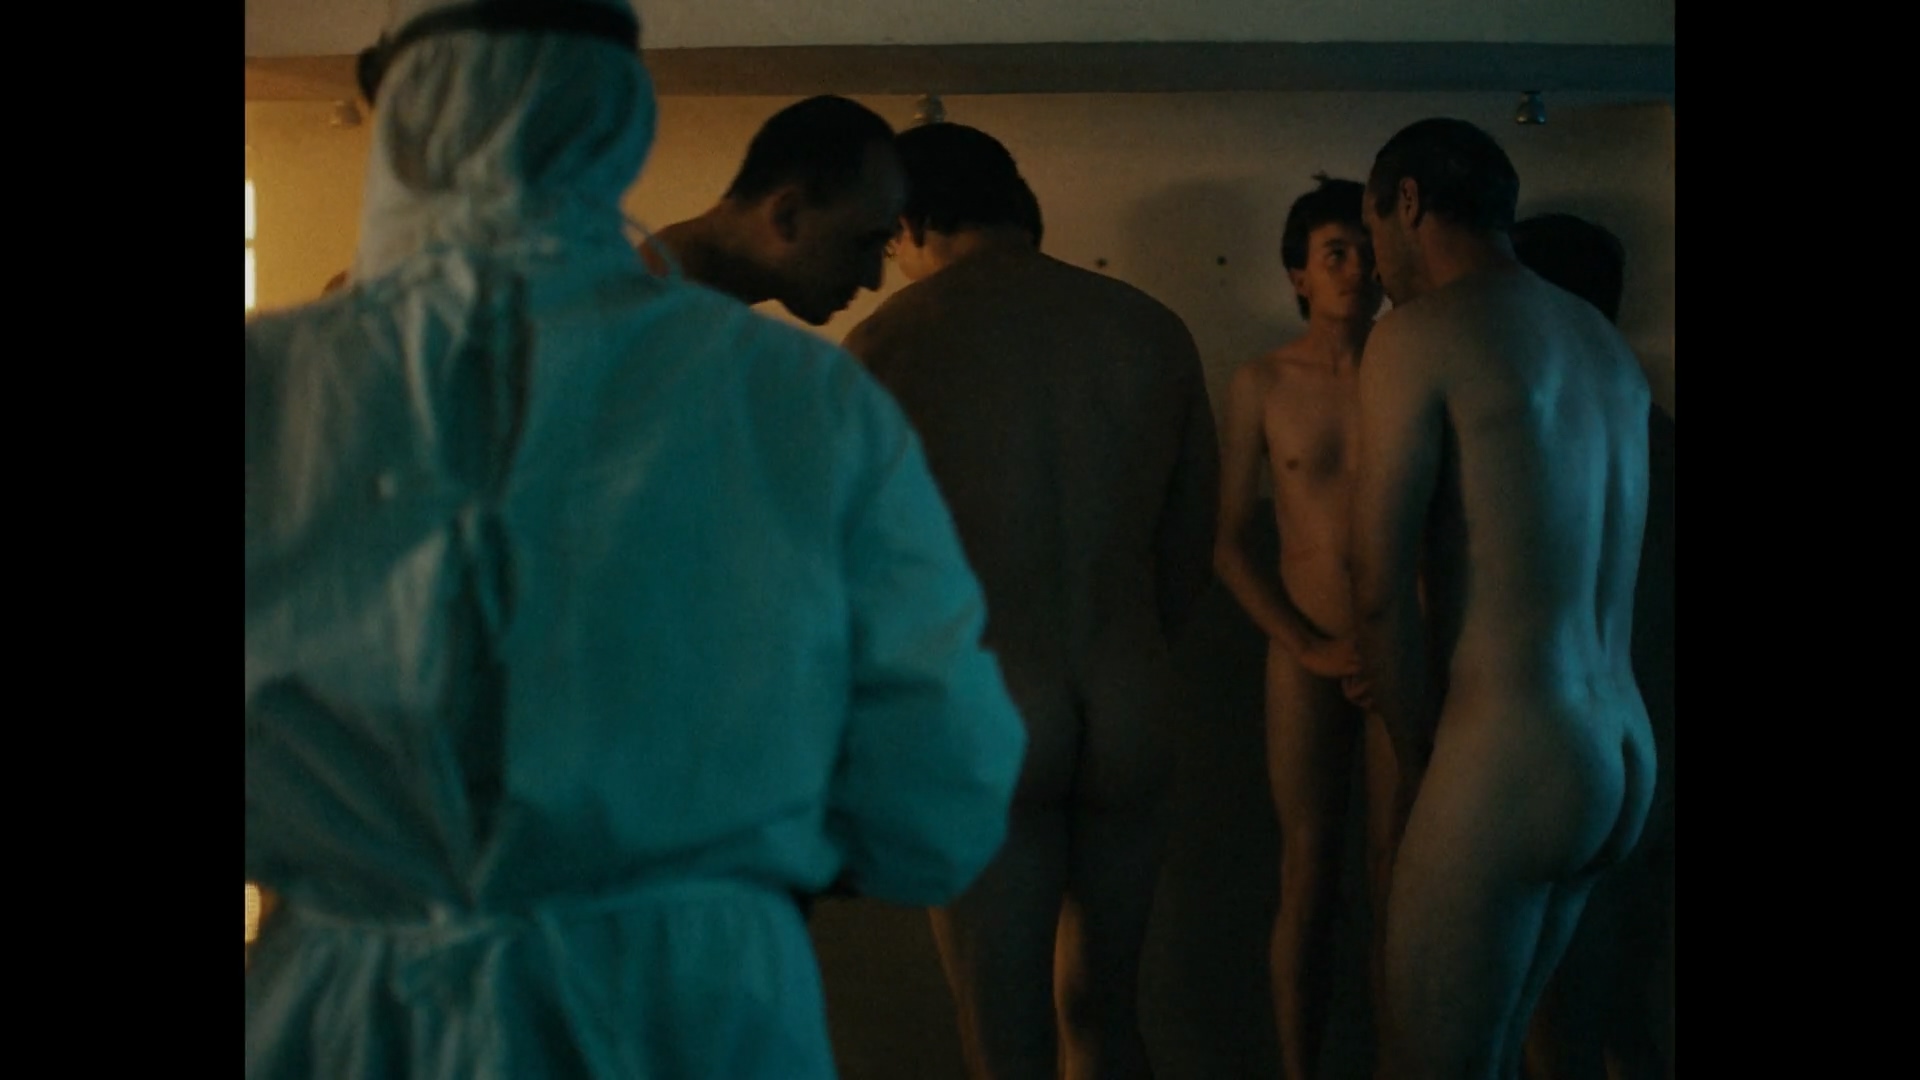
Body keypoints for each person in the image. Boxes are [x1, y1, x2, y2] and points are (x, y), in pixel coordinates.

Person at [243, 3, 1028, 1076]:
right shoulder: (802, 398)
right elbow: (939, 777)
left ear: (395, 113)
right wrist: (752, 854)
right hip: (691, 1003)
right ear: (618, 117)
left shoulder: (270, 388)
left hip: (348, 1016)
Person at [842, 121, 1219, 1080]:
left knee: (1004, 1036)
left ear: (911, 220)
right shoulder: (1150, 330)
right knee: (1104, 1013)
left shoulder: (889, 342)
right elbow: (1188, 547)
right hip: (1127, 694)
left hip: (989, 705)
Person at [1347, 118, 1656, 1079]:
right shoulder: (1601, 342)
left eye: (1372, 231)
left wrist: (1417, 761)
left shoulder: (1418, 335)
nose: (1376, 265)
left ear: (1407, 202)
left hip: (1510, 749)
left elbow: (1377, 587)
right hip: (1621, 746)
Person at [1213, 174, 1406, 1080]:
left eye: (1365, 253)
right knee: (1309, 870)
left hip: (1400, 646)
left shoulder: (1412, 368)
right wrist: (1308, 644)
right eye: (1335, 255)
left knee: (1396, 876)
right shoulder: (1263, 381)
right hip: (1304, 645)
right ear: (1298, 274)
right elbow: (1226, 541)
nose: (1355, 270)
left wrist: (1396, 645)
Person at [1509, 212, 1674, 1080]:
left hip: (1564, 750)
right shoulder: (1655, 431)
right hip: (1652, 747)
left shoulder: (1528, 442)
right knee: (1623, 1006)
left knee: (1559, 1010)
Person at [641, 95, 905, 326]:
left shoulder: (674, 308)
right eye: (864, 244)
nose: (874, 280)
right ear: (787, 216)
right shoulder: (666, 326)